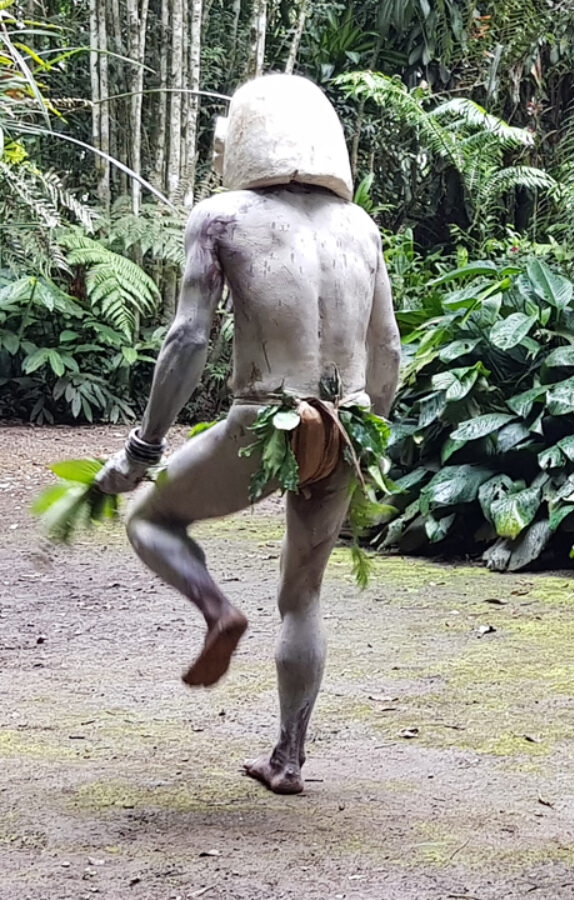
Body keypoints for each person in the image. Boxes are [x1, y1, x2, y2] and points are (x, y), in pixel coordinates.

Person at [94, 74, 400, 793]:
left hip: (263, 419)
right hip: (349, 425)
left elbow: (188, 338)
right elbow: (388, 352)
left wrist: (143, 448)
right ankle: (289, 759)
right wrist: (363, 442)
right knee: (303, 596)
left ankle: (217, 610)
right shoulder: (361, 229)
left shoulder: (223, 216)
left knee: (152, 521)